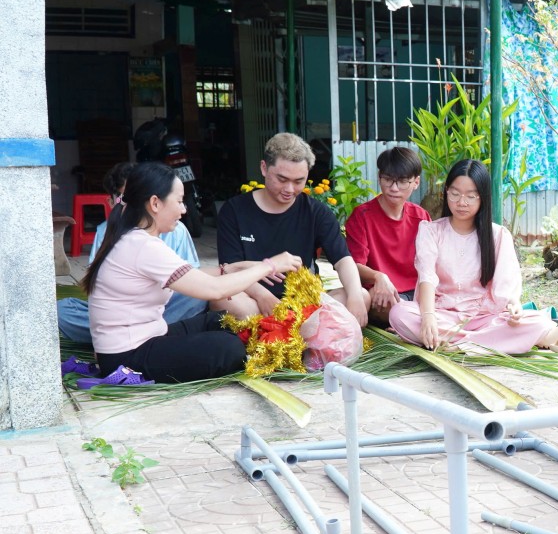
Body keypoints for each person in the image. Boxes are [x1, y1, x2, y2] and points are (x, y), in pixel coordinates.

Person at [83, 162, 302, 383]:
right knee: (228, 347)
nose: (184, 209)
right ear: (155, 203)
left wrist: (231, 268)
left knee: (223, 321)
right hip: (127, 357)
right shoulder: (143, 246)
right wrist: (269, 265)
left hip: (147, 337)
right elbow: (214, 290)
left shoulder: (135, 238)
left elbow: (190, 275)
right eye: (179, 201)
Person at [387, 159, 556, 354]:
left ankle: (461, 345)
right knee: (399, 313)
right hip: (442, 315)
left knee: (538, 322)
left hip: (483, 318)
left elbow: (506, 287)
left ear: (482, 197)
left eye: (471, 196)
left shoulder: (498, 235)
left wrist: (515, 306)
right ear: (446, 192)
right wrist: (428, 317)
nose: (461, 202)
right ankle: (484, 344)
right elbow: (427, 278)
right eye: (455, 194)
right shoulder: (430, 231)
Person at [215, 133, 369, 326]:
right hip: (254, 301)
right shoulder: (234, 211)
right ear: (264, 168)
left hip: (306, 303)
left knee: (361, 295)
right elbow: (229, 269)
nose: (289, 188)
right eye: (282, 179)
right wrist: (263, 296)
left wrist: (354, 296)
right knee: (222, 300)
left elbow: (343, 259)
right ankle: (299, 334)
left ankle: (290, 330)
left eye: (298, 181)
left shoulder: (316, 212)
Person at [57, 162, 206, 343]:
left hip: (164, 305)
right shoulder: (105, 232)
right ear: (111, 202)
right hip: (120, 315)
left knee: (196, 297)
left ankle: (125, 334)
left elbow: (194, 278)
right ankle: (146, 332)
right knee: (62, 309)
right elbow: (96, 288)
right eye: (124, 197)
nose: (130, 203)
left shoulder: (176, 229)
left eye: (135, 196)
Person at [345, 147, 432, 324]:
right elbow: (353, 265)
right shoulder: (362, 216)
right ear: (379, 177)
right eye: (387, 179)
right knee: (379, 304)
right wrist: (379, 276)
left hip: (417, 295)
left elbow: (431, 266)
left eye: (402, 182)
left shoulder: (421, 217)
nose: (393, 188)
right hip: (381, 295)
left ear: (416, 182)